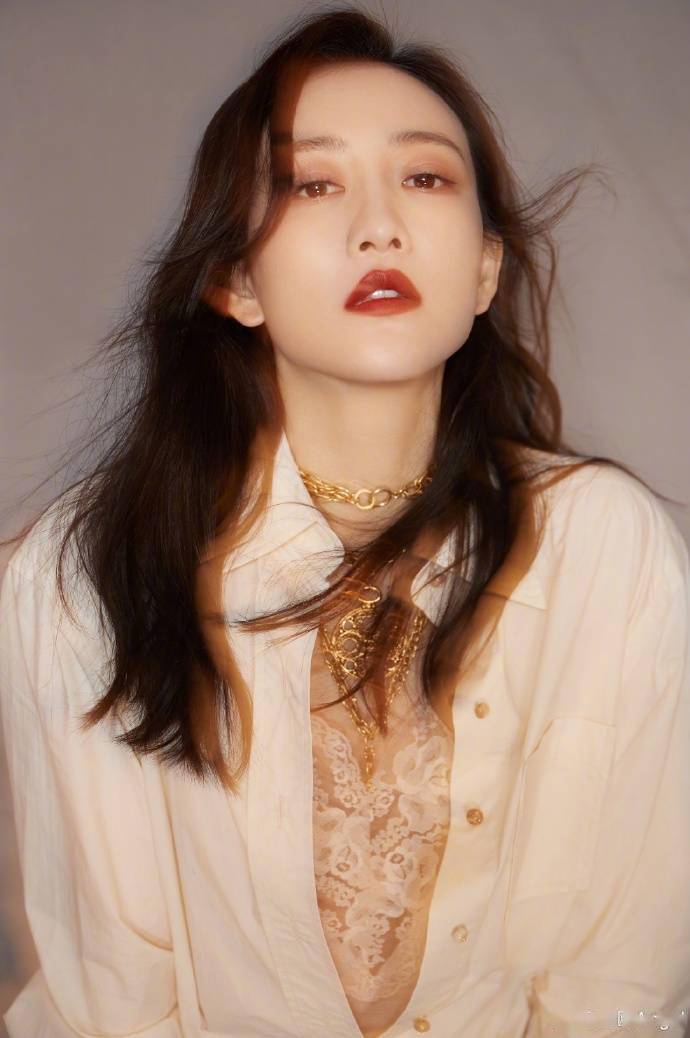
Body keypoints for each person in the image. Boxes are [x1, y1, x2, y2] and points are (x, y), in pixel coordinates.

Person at [1, 5, 688, 1037]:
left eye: (426, 178)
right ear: (235, 278)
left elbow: (622, 989)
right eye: (311, 183)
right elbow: (110, 1002)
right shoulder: (84, 571)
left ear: (486, 269)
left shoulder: (606, 547)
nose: (380, 226)